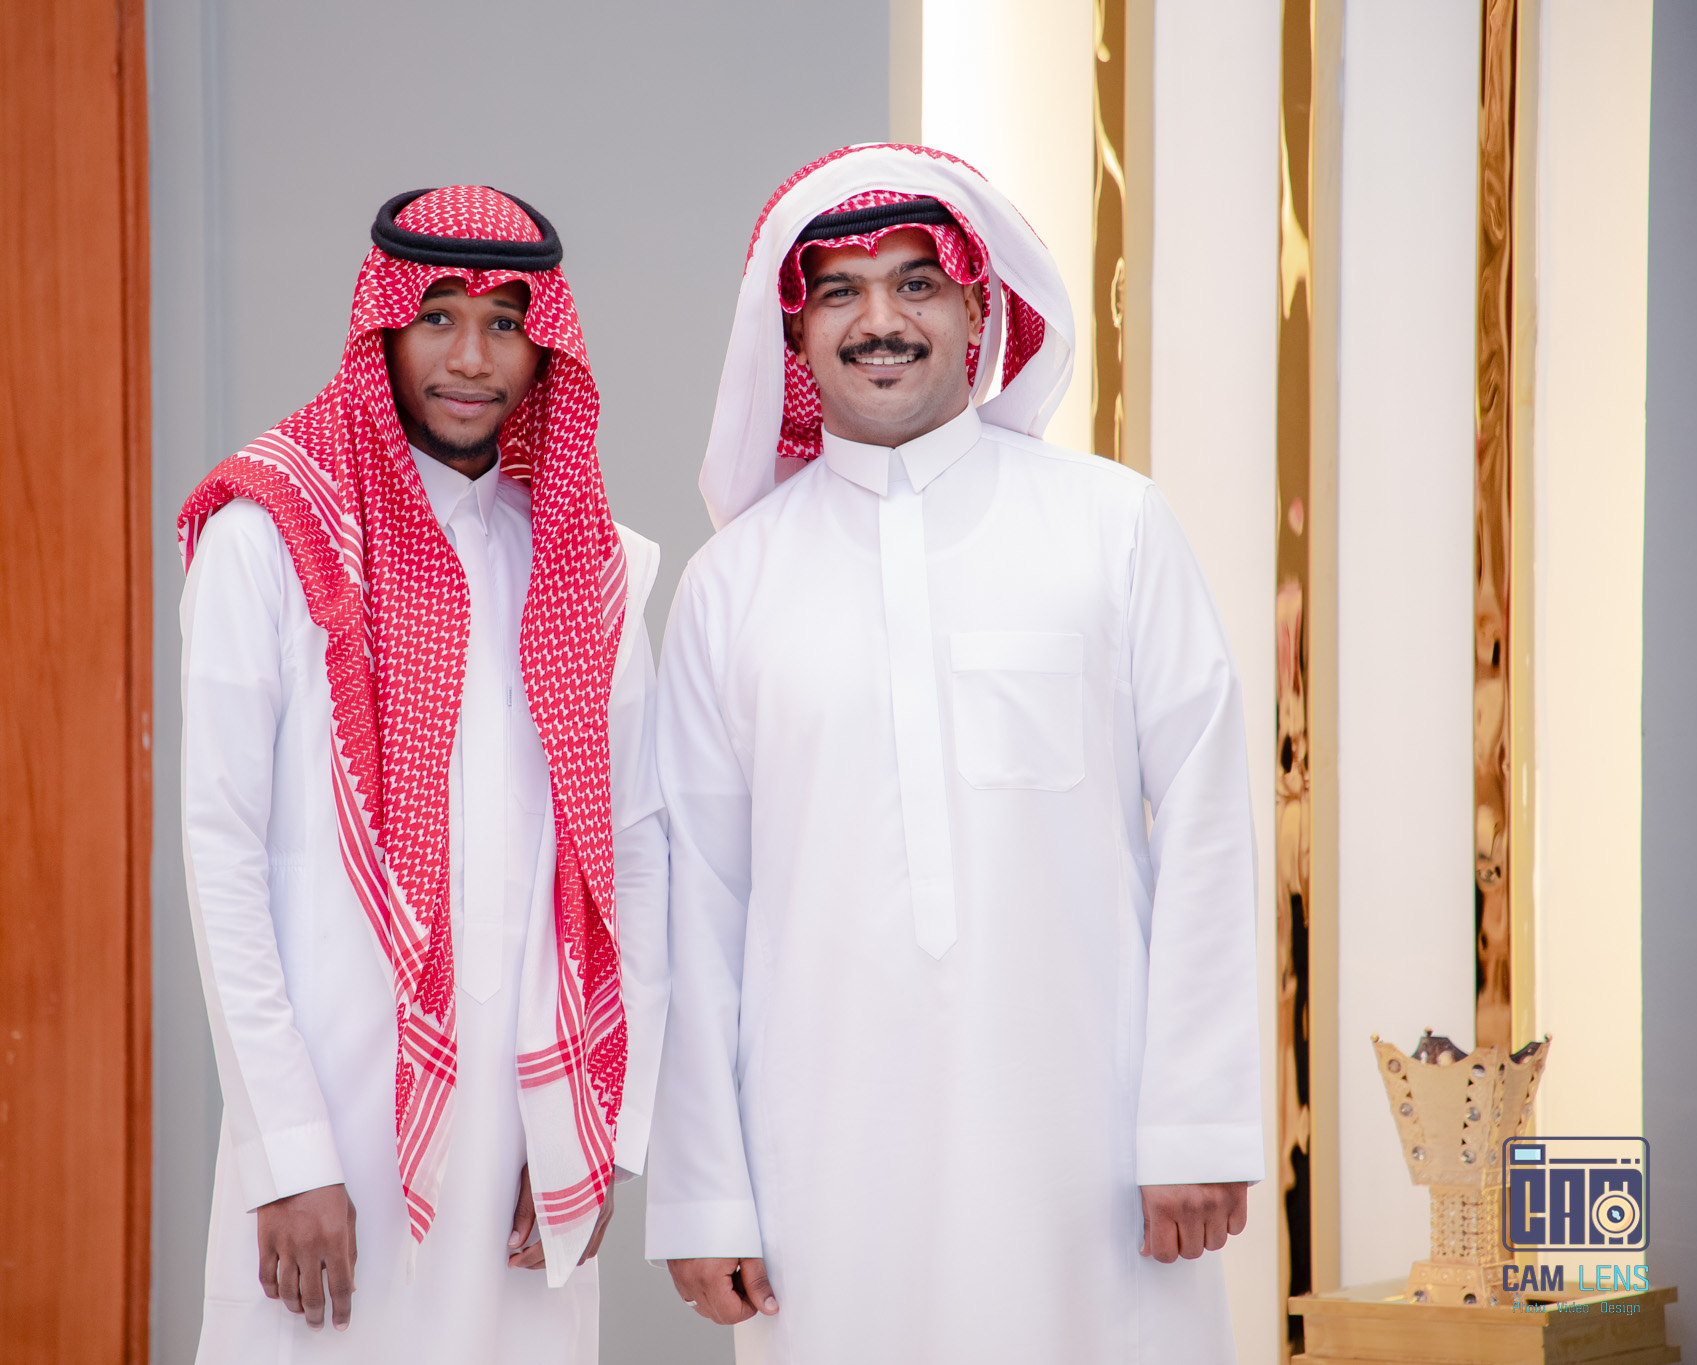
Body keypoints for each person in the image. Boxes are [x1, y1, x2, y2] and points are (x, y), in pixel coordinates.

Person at [647, 145, 1263, 1363]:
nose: (879, 320)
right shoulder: (731, 585)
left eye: (915, 283)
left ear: (980, 310)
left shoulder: (1110, 523)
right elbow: (694, 904)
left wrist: (1193, 1123)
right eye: (838, 291)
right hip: (822, 1166)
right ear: (794, 333)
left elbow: (1205, 827)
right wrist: (705, 1191)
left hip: (1089, 1151)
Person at [177, 185, 667, 1363]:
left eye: (504, 324)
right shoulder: (272, 537)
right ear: (381, 329)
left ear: (545, 347)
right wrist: (287, 1152)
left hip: (528, 1124)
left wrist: (590, 1126)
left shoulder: (589, 563)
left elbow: (637, 852)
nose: (471, 358)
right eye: (437, 316)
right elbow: (222, 851)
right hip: (332, 1120)